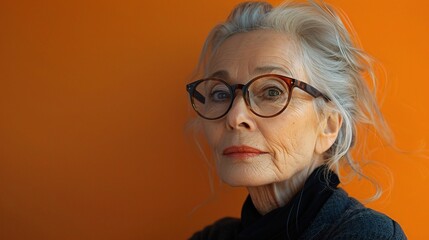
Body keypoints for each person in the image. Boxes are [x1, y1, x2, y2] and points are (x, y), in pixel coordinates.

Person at [186, 1, 407, 239]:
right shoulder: (213, 236)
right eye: (221, 94)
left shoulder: (366, 234)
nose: (235, 116)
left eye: (272, 91)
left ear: (329, 125)